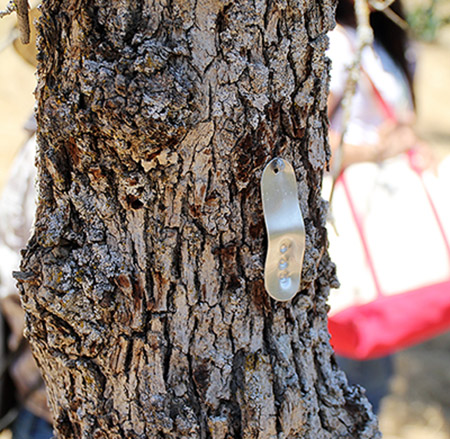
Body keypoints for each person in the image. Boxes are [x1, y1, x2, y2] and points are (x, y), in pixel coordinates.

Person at [326, 0, 428, 413]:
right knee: (356, 372)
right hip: (350, 223)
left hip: (383, 221)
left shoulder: (384, 38)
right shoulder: (337, 43)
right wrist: (377, 149)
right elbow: (315, 142)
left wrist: (405, 141)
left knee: (377, 367)